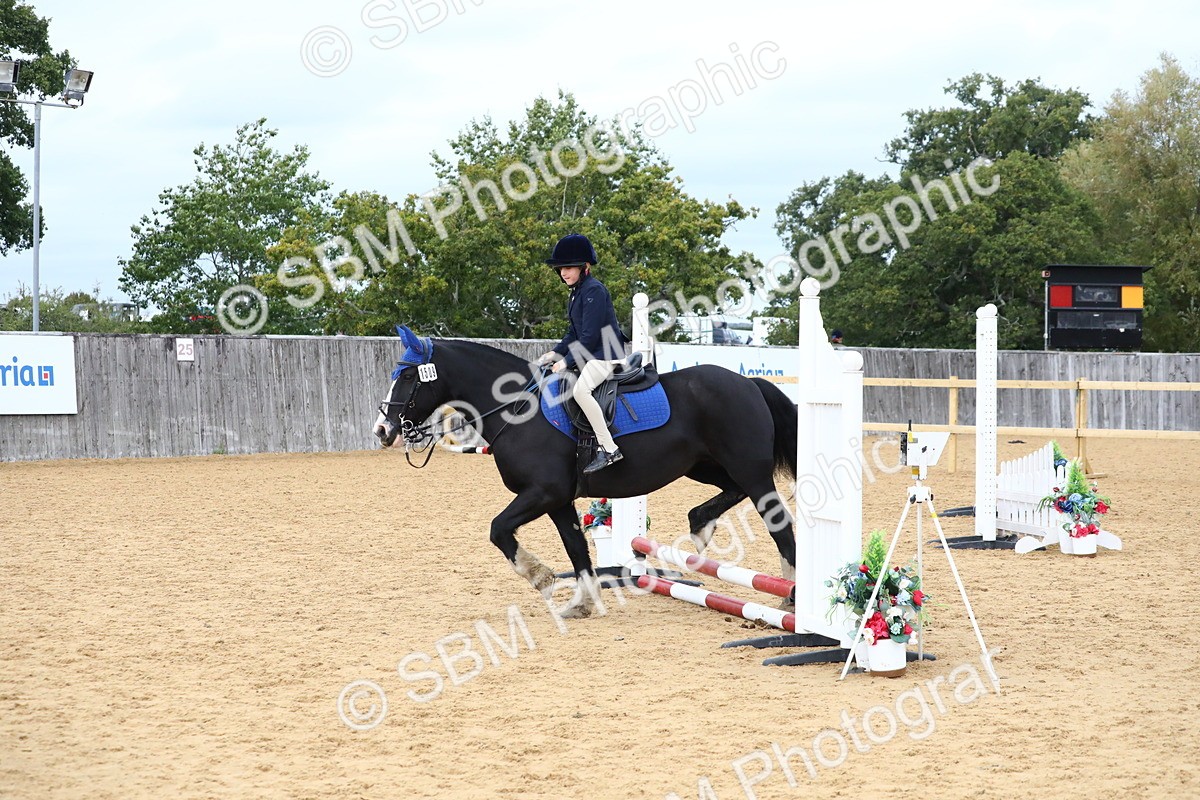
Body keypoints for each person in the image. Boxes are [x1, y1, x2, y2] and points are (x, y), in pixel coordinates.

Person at [536, 233, 628, 474]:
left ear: (584, 266)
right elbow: (573, 332)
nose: (563, 272)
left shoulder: (594, 290)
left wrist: (566, 362)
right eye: (560, 269)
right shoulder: (577, 292)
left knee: (581, 391)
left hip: (605, 354)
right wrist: (555, 353)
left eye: (568, 267)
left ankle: (609, 449)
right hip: (592, 353)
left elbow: (589, 337)